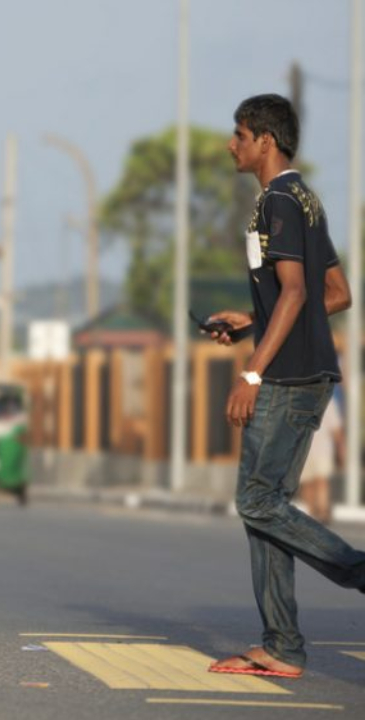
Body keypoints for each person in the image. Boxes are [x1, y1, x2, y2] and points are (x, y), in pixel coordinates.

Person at [205, 95, 364, 679]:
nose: (232, 144)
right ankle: (281, 646)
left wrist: (252, 371)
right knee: (262, 506)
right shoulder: (304, 198)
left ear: (265, 141)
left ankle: (358, 572)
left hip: (288, 376)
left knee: (255, 500)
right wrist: (253, 317)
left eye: (239, 134)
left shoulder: (277, 201)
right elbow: (337, 293)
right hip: (305, 369)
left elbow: (298, 293)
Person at [297, 390, 344, 524]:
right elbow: (337, 430)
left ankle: (321, 512)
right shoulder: (324, 402)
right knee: (310, 483)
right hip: (306, 449)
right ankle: (314, 513)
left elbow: (336, 429)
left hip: (320, 448)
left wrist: (341, 449)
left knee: (319, 481)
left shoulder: (326, 403)